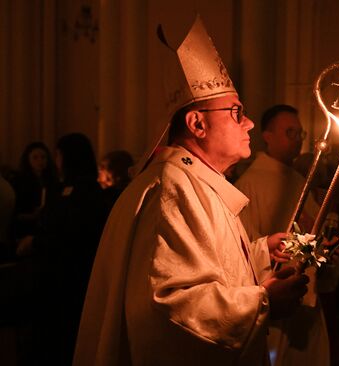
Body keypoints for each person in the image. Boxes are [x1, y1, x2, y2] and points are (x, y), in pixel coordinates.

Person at [73, 17, 308, 366]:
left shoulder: (195, 183)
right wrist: (264, 304)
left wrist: (260, 254)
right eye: (236, 112)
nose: (250, 123)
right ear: (197, 124)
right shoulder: (172, 191)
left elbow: (204, 266)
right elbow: (167, 306)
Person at [235, 104, 333, 366]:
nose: (297, 140)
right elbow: (243, 248)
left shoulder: (298, 179)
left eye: (300, 134)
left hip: (305, 291)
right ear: (267, 136)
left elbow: (314, 228)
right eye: (290, 132)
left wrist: (326, 243)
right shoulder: (249, 184)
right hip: (276, 297)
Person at [15, 133, 105, 364]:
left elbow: (68, 234)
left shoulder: (80, 193)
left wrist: (35, 242)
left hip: (65, 281)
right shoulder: (74, 190)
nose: (55, 161)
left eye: (57, 155)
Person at [11, 141, 59, 239]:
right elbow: (13, 212)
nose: (40, 161)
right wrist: (31, 216)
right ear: (28, 159)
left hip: (48, 227)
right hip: (24, 229)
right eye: (35, 157)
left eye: (43, 157)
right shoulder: (19, 181)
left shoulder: (53, 180)